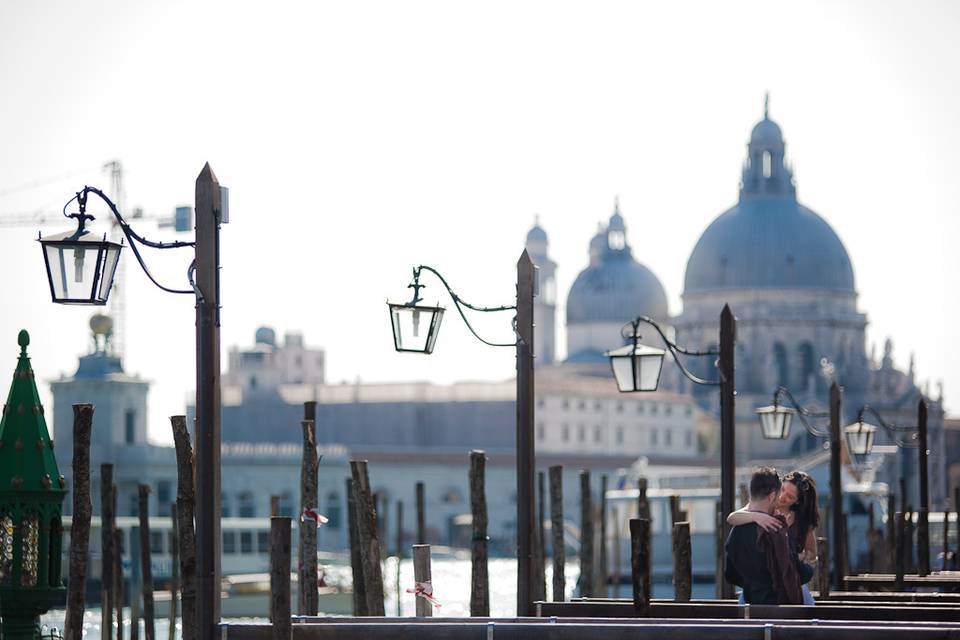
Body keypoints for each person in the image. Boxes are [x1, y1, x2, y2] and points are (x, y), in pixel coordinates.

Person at [728, 470, 819, 604]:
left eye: (790, 496)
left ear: (797, 502)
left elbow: (812, 554)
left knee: (810, 613)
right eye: (782, 489)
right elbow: (732, 518)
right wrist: (757, 516)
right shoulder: (764, 505)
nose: (782, 496)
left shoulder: (801, 521)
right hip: (759, 584)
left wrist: (801, 558)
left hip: (790, 578)